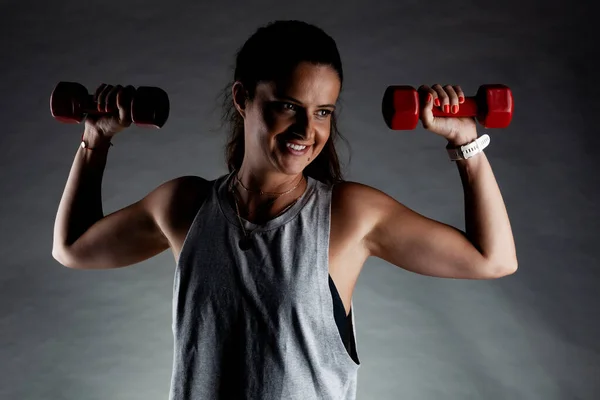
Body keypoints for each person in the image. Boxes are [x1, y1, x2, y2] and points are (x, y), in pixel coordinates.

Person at [52, 20, 517, 400]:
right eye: (288, 107)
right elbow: (72, 248)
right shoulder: (185, 207)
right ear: (242, 100)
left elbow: (493, 259)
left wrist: (466, 141)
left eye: (323, 112)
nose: (306, 129)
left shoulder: (350, 215)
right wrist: (95, 141)